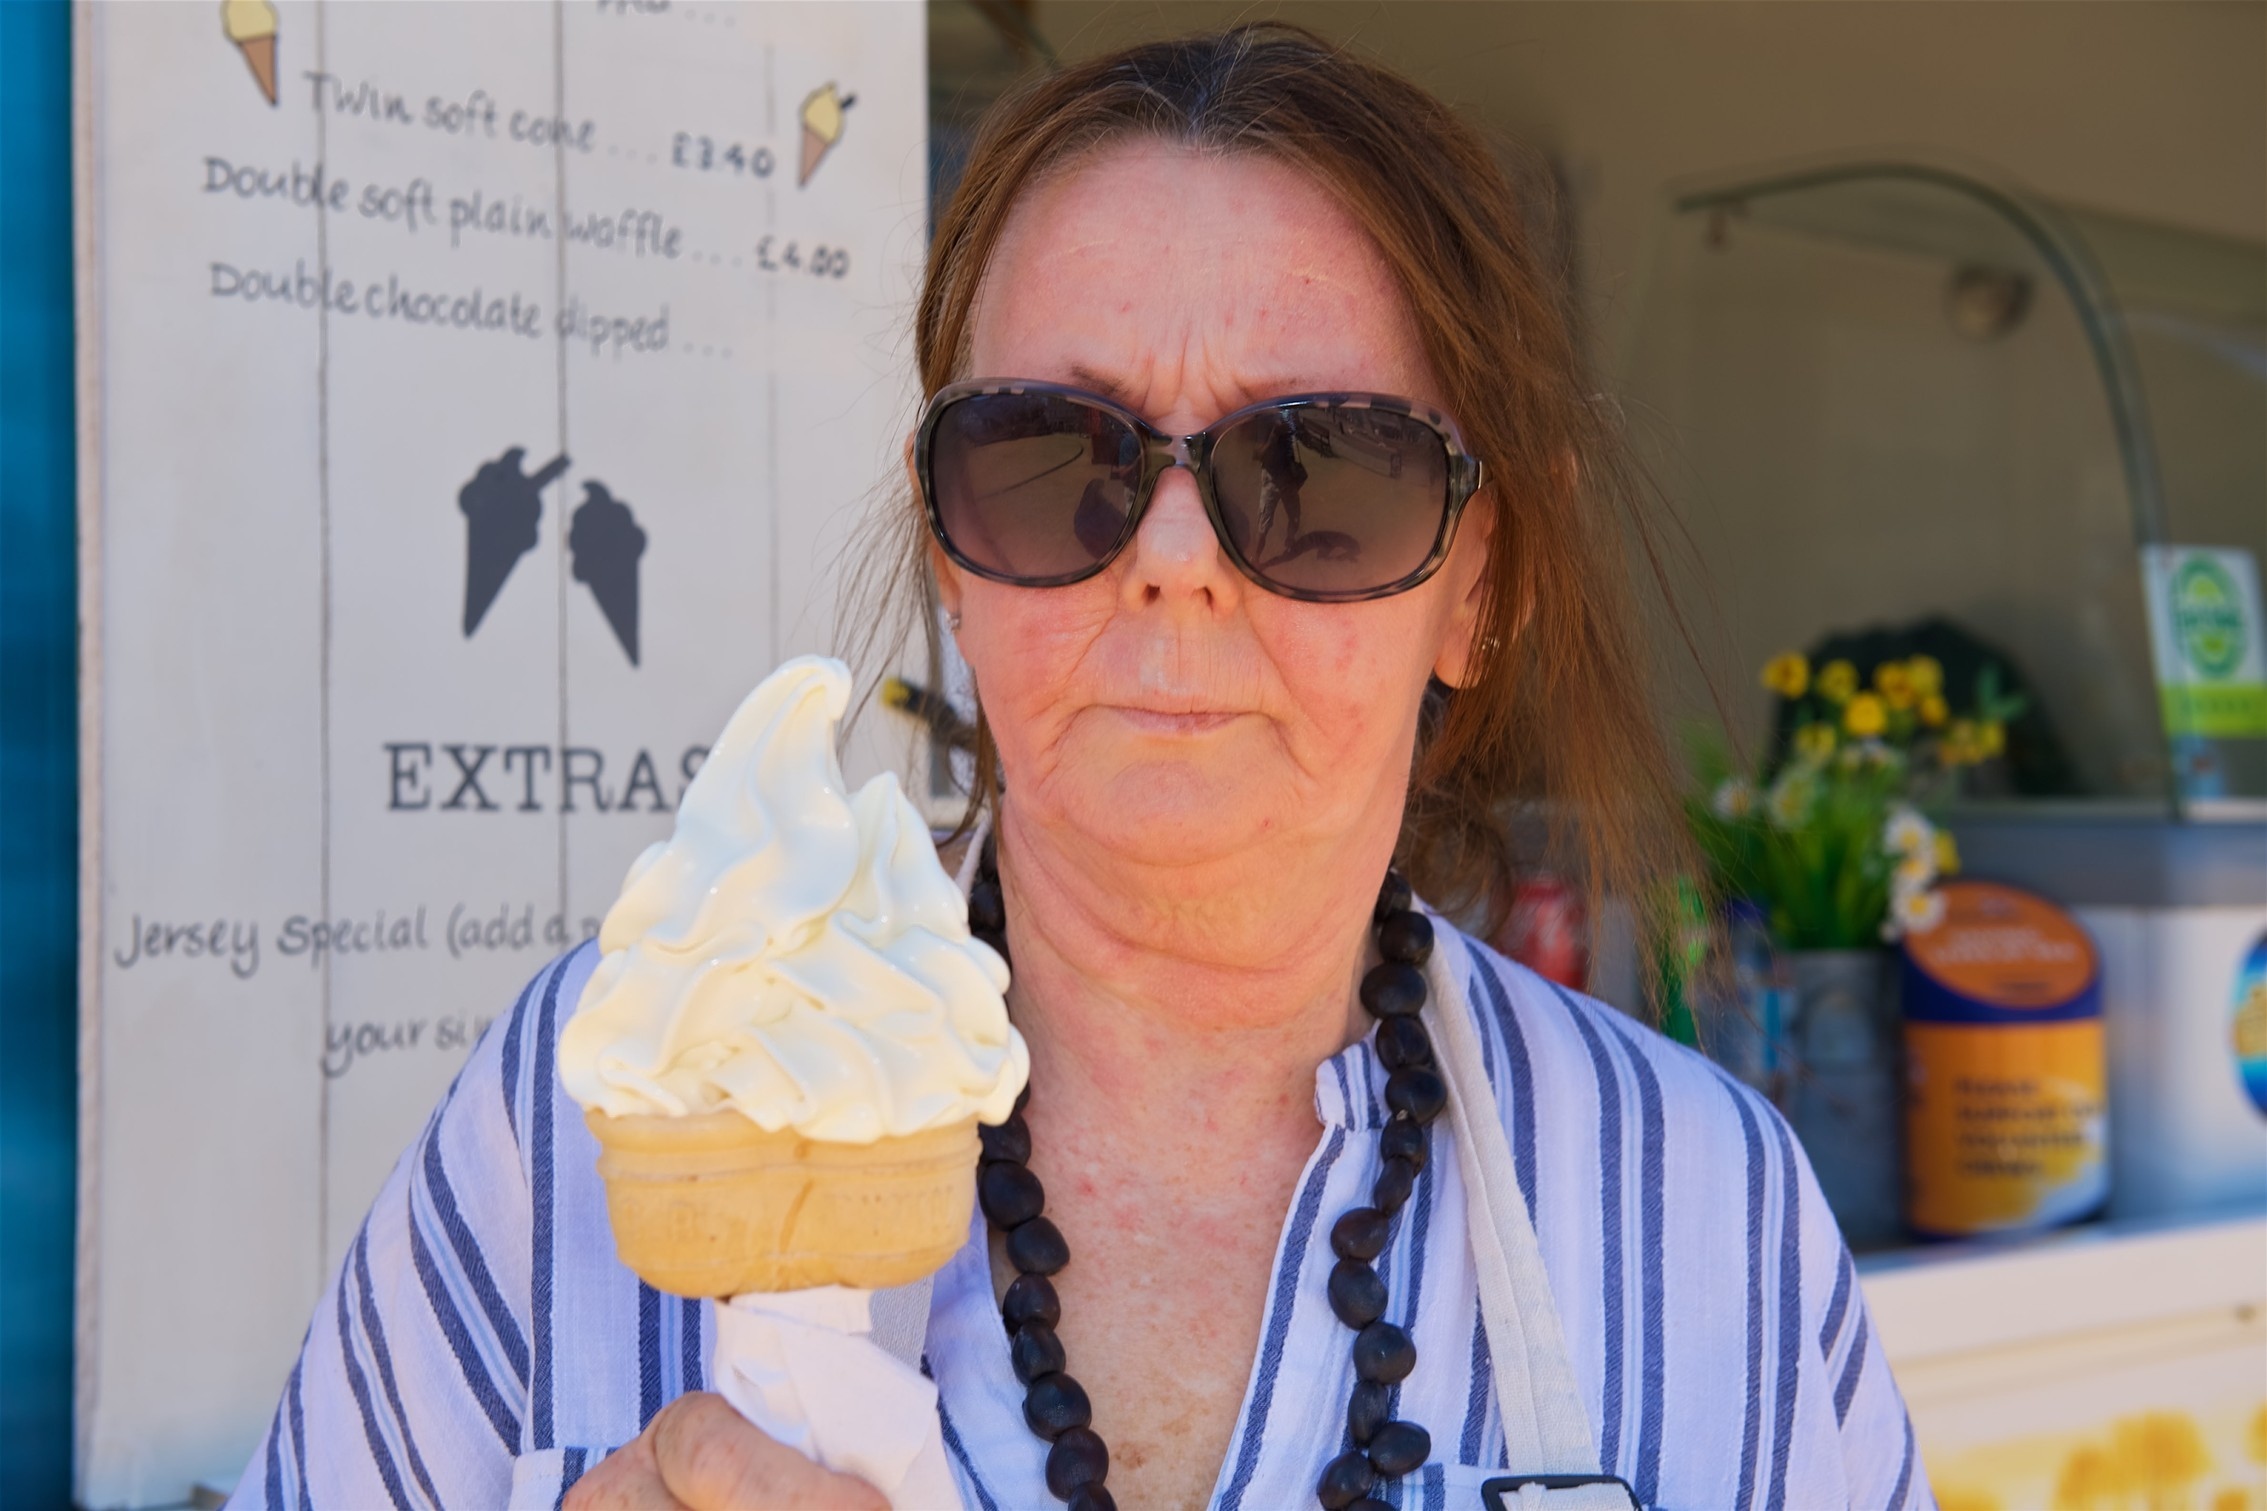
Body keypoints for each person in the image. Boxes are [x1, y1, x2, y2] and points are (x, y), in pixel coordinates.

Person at [230, 25, 1928, 1511]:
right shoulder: (580, 1116)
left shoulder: (1715, 1223)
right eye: (1053, 457)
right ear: (952, 552)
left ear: (1483, 584)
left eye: (1318, 466)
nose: (1174, 560)